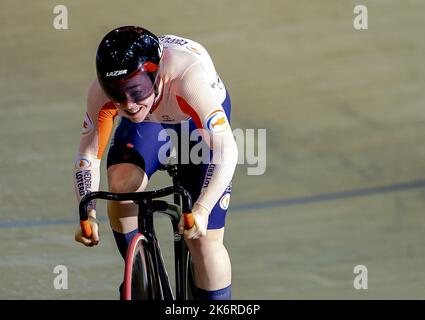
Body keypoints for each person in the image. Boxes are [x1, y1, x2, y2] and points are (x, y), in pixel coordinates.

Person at [73, 26, 238, 300]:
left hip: (192, 123)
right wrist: (87, 213)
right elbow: (87, 156)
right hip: (150, 125)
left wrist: (202, 209)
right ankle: (139, 277)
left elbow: (227, 151)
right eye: (117, 93)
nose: (128, 104)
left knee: (204, 240)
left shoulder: (189, 79)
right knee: (121, 187)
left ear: (156, 74)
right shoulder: (104, 95)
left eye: (136, 90)